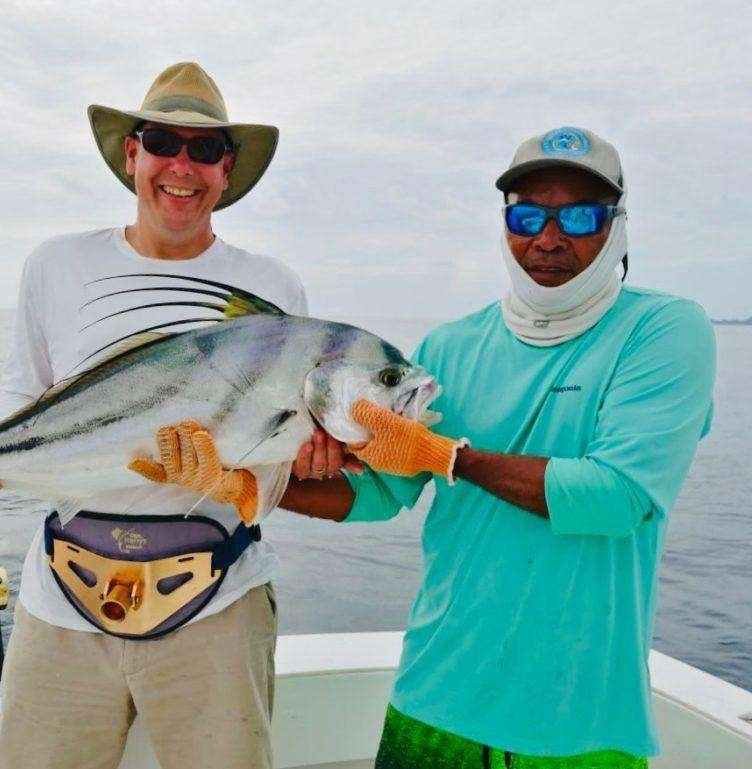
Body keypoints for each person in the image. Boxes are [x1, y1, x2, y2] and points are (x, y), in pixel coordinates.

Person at [182, 127, 715, 767]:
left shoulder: (663, 331)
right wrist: (251, 485)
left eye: (578, 216)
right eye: (527, 216)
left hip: (581, 720)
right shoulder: (446, 351)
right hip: (434, 696)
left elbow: (618, 497)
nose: (549, 239)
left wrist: (448, 457)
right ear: (506, 223)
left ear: (617, 226)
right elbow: (376, 494)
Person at [0, 62, 306, 769]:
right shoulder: (56, 265)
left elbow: (276, 460)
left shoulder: (271, 290)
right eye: (164, 141)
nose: (181, 166)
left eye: (205, 149)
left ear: (227, 169)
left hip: (220, 601)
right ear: (133, 154)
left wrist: (257, 474)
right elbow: (25, 398)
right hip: (62, 599)